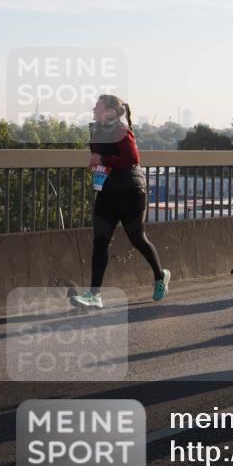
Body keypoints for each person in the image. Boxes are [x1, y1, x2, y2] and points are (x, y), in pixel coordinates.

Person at [70, 95, 170, 309]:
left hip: (130, 191)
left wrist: (103, 160)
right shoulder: (96, 131)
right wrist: (96, 164)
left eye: (98, 106)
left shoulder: (121, 131)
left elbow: (133, 159)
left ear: (110, 112)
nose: (94, 109)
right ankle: (94, 295)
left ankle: (160, 276)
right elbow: (101, 157)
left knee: (136, 238)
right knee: (100, 241)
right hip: (107, 191)